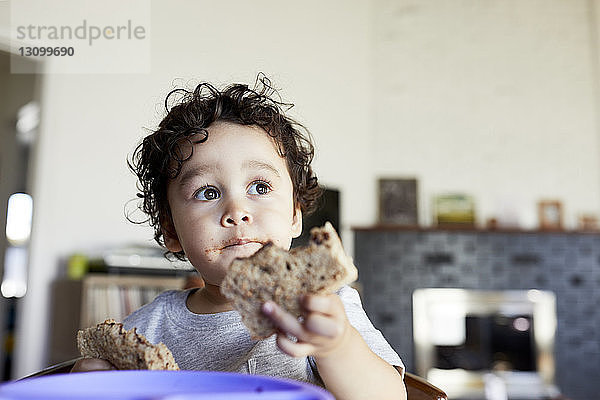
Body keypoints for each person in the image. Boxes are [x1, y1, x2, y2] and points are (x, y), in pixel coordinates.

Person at [73, 75, 407, 400]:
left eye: (260, 188)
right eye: (207, 192)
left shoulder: (323, 306)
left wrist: (338, 346)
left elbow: (390, 397)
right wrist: (90, 385)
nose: (237, 210)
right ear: (172, 232)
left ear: (294, 216)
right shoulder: (146, 328)